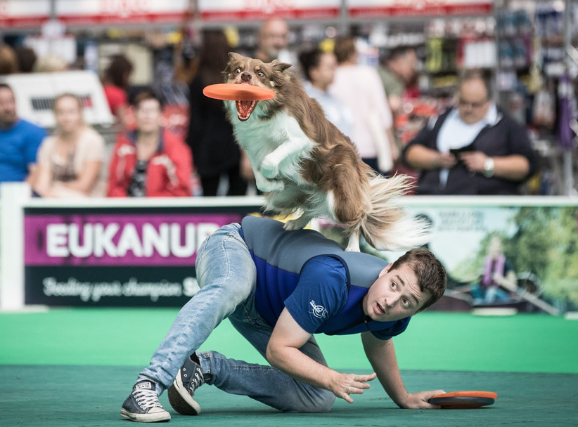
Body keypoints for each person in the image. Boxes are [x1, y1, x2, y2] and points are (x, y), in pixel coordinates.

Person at [120, 216, 448, 422]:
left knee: (317, 398)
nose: (391, 302)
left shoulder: (393, 315)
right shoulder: (334, 277)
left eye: (407, 302)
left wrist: (403, 399)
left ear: (415, 311)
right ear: (386, 269)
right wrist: (332, 377)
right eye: (394, 284)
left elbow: (378, 341)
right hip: (236, 248)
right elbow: (280, 350)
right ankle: (147, 385)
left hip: (269, 312)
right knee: (234, 285)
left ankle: (205, 367)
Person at [402, 70, 538, 195]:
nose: (468, 109)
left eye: (475, 104)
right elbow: (410, 152)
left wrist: (488, 164)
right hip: (435, 203)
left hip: (484, 206)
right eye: (463, 102)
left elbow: (527, 165)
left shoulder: (506, 125)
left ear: (489, 101)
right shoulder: (441, 119)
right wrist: (435, 159)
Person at [187, 30, 245, 197]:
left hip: (207, 149)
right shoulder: (236, 81)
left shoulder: (198, 82)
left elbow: (195, 122)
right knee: (237, 200)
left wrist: (191, 152)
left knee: (209, 200)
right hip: (234, 146)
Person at [106, 90, 193, 197]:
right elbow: (114, 185)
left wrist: (151, 207)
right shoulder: (124, 145)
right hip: (126, 209)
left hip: (161, 210)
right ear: (134, 114)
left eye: (152, 111)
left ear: (161, 114)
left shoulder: (176, 147)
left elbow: (181, 191)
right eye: (142, 110)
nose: (147, 116)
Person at [329, 37, 397, 174]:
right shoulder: (368, 73)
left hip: (340, 150)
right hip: (371, 146)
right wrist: (391, 144)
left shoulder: (332, 77)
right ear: (352, 53)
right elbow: (382, 113)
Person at [33, 94, 105, 198]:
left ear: (80, 113)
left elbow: (84, 185)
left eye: (71, 112)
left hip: (86, 206)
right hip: (53, 203)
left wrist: (56, 189)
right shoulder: (48, 144)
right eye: (61, 112)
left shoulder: (92, 140)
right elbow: (41, 185)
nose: (66, 118)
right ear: (55, 115)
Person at [299, 48, 356, 144]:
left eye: (335, 67)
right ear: (314, 72)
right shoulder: (306, 101)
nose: (334, 71)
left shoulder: (334, 98)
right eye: (330, 67)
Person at [472, 237, 517, 304]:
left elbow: (513, 286)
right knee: (474, 288)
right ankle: (479, 304)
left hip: (503, 296)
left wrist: (501, 280)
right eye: (494, 246)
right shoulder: (487, 263)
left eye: (498, 247)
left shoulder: (506, 263)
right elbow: (484, 284)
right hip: (487, 292)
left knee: (491, 291)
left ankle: (484, 306)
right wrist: (481, 277)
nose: (496, 249)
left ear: (501, 248)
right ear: (490, 248)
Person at [378, 46, 418, 116]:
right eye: (411, 63)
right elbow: (394, 105)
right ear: (399, 61)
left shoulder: (377, 71)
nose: (413, 68)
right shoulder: (395, 82)